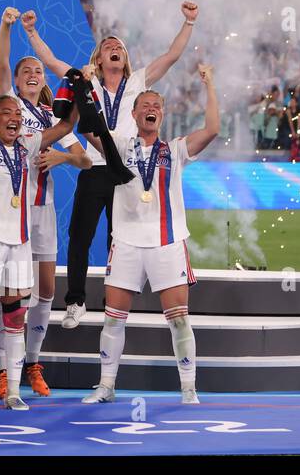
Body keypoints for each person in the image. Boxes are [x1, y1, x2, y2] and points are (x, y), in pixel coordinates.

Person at [21, 2, 199, 327]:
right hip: (94, 168)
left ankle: (111, 305)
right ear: (99, 59)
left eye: (120, 47)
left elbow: (171, 56)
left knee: (118, 240)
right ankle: (75, 301)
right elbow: (49, 60)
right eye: (108, 47)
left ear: (125, 58)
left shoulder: (139, 81)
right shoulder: (85, 81)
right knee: (80, 236)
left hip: (127, 174)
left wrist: (188, 22)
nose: (115, 49)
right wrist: (31, 31)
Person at [80, 65, 219, 405]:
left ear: (163, 113)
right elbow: (89, 128)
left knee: (179, 321)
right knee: (113, 320)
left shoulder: (176, 149)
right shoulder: (119, 145)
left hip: (167, 244)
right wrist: (85, 87)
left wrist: (209, 84)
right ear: (133, 114)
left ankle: (188, 388)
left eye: (156, 104)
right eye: (145, 105)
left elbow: (213, 129)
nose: (151, 108)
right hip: (126, 242)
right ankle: (106, 386)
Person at [0, 78, 78, 410]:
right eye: (6, 112)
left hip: (19, 242)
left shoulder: (27, 144)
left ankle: (14, 391)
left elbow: (65, 125)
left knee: (14, 319)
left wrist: (80, 91)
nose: (14, 117)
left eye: (17, 113)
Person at [0, 8, 91, 398]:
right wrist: (6, 27)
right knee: (11, 291)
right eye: (26, 71)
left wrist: (62, 157)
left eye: (38, 71)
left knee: (46, 289)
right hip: (8, 211)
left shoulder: (53, 115)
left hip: (42, 211)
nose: (34, 75)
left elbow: (84, 158)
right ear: (17, 81)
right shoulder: (8, 109)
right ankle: (3, 368)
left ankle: (32, 361)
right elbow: (2, 61)